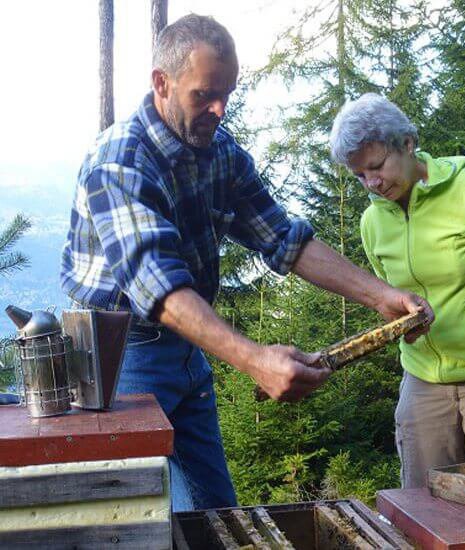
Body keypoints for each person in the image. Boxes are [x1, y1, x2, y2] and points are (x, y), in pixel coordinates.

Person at [60, 17, 433, 510]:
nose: (219, 108)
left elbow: (285, 239)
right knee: (139, 514)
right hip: (119, 357)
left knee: (218, 510)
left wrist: (382, 296)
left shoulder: (219, 151)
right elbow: (161, 292)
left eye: (227, 94)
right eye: (205, 95)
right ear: (161, 83)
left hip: (187, 349)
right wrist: (256, 359)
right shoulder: (121, 161)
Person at [329, 93, 465, 488]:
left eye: (377, 166)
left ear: (408, 143)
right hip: (423, 381)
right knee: (424, 507)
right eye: (360, 175)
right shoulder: (372, 223)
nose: (372, 182)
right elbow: (390, 296)